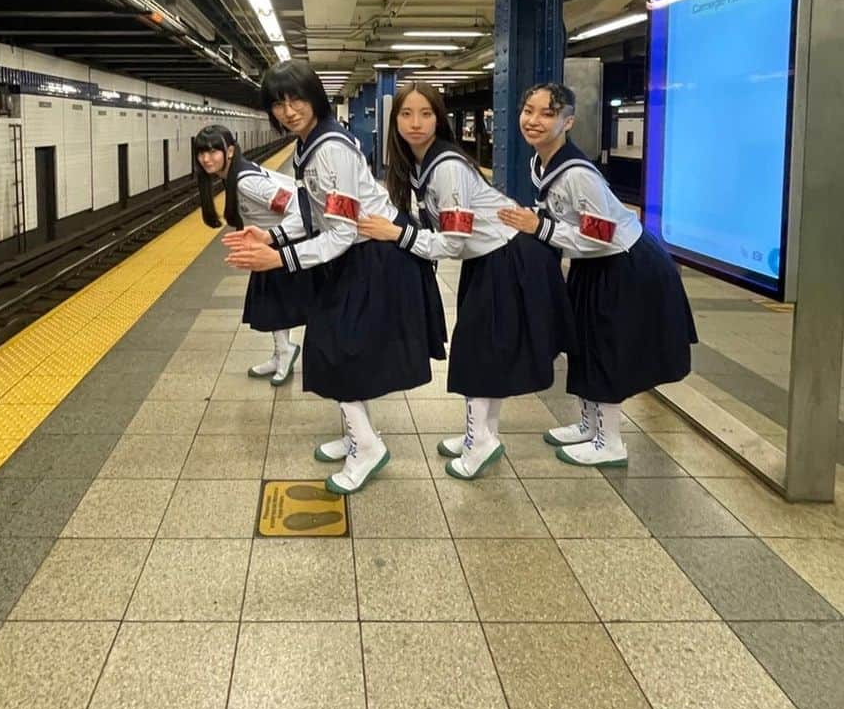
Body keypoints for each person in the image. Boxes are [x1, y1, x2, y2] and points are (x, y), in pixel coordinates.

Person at [222, 61, 446, 494]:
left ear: (315, 98)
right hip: (356, 256)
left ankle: (367, 447)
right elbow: (315, 212)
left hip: (376, 257)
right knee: (336, 350)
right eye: (278, 103)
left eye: (296, 99)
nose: (288, 111)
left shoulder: (331, 150)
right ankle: (356, 436)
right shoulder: (309, 144)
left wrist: (280, 259)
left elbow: (341, 231)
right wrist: (273, 235)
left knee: (337, 351)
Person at [359, 82, 574, 479]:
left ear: (439, 119)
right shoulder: (422, 164)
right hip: (493, 258)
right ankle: (482, 432)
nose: (416, 123)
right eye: (406, 114)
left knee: (478, 355)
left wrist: (399, 236)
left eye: (426, 114)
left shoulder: (447, 168)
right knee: (484, 352)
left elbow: (454, 242)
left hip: (508, 259)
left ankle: (480, 442)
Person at [497, 82, 697, 466]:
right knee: (585, 343)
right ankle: (590, 425)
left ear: (567, 121)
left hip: (623, 264)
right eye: (528, 110)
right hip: (594, 263)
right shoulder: (540, 162)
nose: (533, 120)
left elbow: (602, 235)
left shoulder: (577, 174)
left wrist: (538, 227)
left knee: (607, 347)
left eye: (547, 113)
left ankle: (611, 442)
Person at [194, 124, 308, 386]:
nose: (206, 158)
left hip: (281, 245)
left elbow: (300, 209)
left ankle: (287, 353)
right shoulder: (235, 175)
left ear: (230, 151)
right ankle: (282, 352)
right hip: (270, 245)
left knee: (277, 305)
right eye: (201, 153)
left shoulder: (246, 183)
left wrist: (272, 237)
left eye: (213, 151)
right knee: (273, 303)